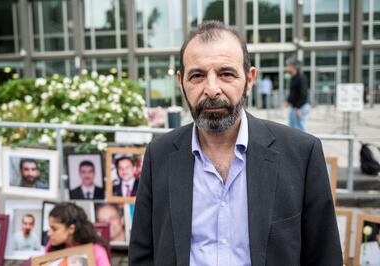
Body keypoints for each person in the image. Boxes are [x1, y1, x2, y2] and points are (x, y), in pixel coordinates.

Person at [129, 20, 342, 265]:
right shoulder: (159, 154)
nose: (212, 89)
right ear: (181, 82)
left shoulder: (302, 153)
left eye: (226, 74)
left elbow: (324, 256)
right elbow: (142, 254)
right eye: (197, 76)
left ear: (250, 79)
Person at [45, 202, 110, 266]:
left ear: (71, 229)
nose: (48, 233)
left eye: (54, 229)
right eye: (49, 228)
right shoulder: (51, 246)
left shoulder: (96, 251)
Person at [285, 57, 310, 131]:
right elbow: (293, 92)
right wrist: (288, 101)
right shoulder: (293, 78)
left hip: (300, 107)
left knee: (301, 129)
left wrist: (299, 108)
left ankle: (306, 143)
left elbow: (304, 93)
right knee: (292, 129)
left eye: (288, 66)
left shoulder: (301, 78)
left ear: (293, 67)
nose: (286, 67)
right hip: (295, 107)